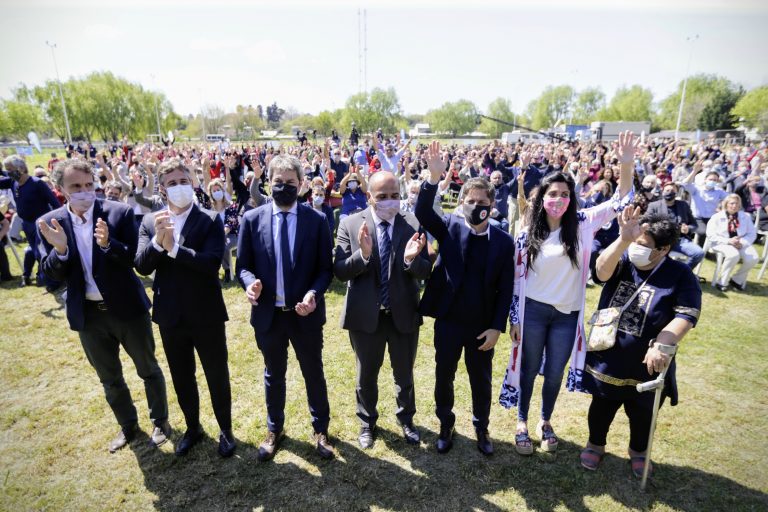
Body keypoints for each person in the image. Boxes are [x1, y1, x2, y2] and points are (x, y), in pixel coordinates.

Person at [499, 131, 637, 456]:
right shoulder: (526, 231)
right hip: (533, 311)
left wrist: (626, 164)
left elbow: (622, 199)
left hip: (566, 315)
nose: (558, 199)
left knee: (554, 374)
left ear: (571, 197)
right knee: (529, 369)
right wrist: (514, 318)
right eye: (552, 193)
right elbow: (517, 280)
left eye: (564, 193)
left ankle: (544, 420)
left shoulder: (584, 223)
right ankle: (522, 421)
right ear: (542, 196)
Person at [36, 159, 170, 453]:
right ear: (61, 189)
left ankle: (160, 421)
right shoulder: (50, 223)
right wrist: (60, 249)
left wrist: (109, 244)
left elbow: (136, 260)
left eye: (88, 185)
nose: (85, 192)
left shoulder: (118, 213)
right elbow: (49, 274)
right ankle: (128, 426)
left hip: (127, 310)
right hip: (89, 316)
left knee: (148, 368)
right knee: (109, 379)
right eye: (76, 187)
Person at [580, 209, 701, 478]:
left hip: (648, 361)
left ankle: (639, 451)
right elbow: (600, 272)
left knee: (644, 413)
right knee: (601, 406)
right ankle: (595, 444)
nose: (637, 248)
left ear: (663, 248)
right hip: (609, 355)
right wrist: (624, 240)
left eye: (643, 245)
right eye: (636, 242)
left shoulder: (679, 274)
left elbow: (686, 314)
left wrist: (663, 343)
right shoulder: (622, 259)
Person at [416, 141, 515, 456]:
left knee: (480, 381)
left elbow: (506, 289)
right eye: (470, 201)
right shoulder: (448, 227)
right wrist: (432, 179)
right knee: (443, 376)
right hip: (448, 321)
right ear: (461, 203)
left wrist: (497, 327)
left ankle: (481, 427)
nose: (476, 206)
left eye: (482, 201)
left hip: (481, 326)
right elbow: (422, 211)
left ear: (492, 203)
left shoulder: (503, 242)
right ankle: (446, 425)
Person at [236, 154, 335, 461]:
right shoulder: (252, 220)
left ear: (301, 184)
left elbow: (325, 269)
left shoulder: (317, 220)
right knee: (273, 374)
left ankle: (321, 430)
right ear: (268, 183)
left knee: (313, 373)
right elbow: (243, 266)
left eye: (290, 182)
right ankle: (274, 429)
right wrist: (250, 283)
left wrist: (313, 294)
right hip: (269, 315)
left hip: (304, 315)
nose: (283, 187)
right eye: (277, 182)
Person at [135, 158, 235, 458]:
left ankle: (226, 430)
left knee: (216, 373)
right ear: (162, 189)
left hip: (206, 313)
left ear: (192, 182)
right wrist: (156, 243)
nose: (179, 187)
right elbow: (141, 265)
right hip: (170, 314)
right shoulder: (150, 221)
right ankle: (193, 427)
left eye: (183, 180)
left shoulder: (209, 219)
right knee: (182, 375)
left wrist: (175, 250)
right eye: (172, 183)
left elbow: (211, 263)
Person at [334, 171, 431, 449]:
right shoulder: (351, 224)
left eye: (395, 196)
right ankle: (367, 423)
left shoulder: (412, 223)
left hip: (403, 314)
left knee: (404, 374)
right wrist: (362, 255)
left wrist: (412, 260)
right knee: (366, 375)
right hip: (366, 316)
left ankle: (407, 419)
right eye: (382, 197)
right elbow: (340, 270)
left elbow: (426, 270)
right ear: (369, 197)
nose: (390, 202)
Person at [1, 155, 61, 289]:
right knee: (35, 253)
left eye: (11, 169)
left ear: (21, 168)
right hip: (27, 225)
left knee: (43, 253)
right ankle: (46, 278)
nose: (9, 173)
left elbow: (55, 203)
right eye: (7, 170)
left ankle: (54, 282)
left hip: (41, 224)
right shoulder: (12, 182)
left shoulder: (36, 183)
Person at [705, 194, 758, 291]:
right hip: (721, 243)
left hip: (741, 242)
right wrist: (729, 241)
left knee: (753, 258)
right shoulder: (716, 217)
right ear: (726, 204)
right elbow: (711, 235)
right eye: (731, 203)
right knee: (733, 255)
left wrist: (741, 243)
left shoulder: (745, 216)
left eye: (736, 203)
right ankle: (722, 282)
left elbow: (752, 233)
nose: (734, 206)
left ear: (739, 205)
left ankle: (736, 279)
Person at [646, 182, 704, 270]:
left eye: (672, 190)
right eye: (667, 190)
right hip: (661, 240)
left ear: (676, 193)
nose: (669, 192)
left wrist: (688, 229)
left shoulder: (683, 205)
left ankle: (681, 272)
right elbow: (647, 222)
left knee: (699, 253)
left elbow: (694, 224)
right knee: (658, 260)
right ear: (662, 191)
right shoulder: (654, 206)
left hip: (680, 240)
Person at [681, 161, 728, 248]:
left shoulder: (719, 191)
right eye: (710, 179)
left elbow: (729, 198)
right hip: (697, 218)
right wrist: (694, 171)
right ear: (705, 180)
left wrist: (723, 208)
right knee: (703, 232)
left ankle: (711, 249)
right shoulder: (697, 189)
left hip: (711, 218)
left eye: (715, 180)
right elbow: (685, 184)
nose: (712, 181)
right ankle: (699, 249)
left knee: (720, 232)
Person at [207, 177, 240, 283]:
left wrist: (220, 236)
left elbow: (230, 224)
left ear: (222, 190)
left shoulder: (231, 206)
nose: (217, 192)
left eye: (218, 190)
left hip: (232, 235)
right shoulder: (209, 208)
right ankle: (213, 270)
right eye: (214, 191)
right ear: (211, 193)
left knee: (223, 245)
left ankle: (227, 270)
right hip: (215, 236)